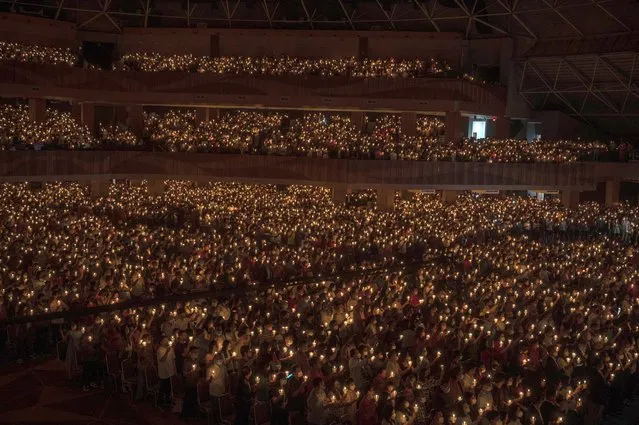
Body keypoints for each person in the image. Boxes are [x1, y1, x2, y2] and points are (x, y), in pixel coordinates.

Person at [157, 337, 176, 407]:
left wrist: (174, 369)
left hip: (170, 371)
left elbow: (173, 359)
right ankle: (160, 402)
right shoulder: (160, 350)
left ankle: (168, 400)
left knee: (169, 387)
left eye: (167, 340)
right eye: (164, 340)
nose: (167, 341)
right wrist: (167, 351)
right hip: (163, 372)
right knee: (163, 387)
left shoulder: (171, 349)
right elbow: (162, 359)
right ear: (161, 342)